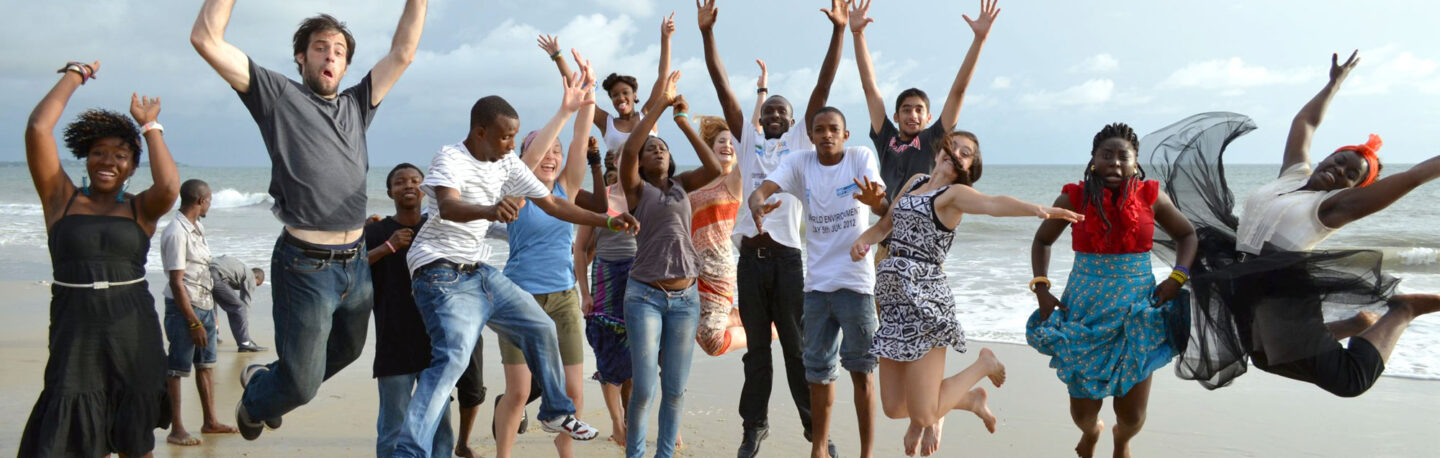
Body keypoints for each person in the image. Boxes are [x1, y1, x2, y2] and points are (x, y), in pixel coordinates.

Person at [190, 0, 428, 439]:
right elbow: (206, 39)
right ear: (302, 57)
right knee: (302, 385)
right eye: (321, 47)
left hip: (356, 262)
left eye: (339, 50)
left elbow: (403, 52)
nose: (331, 56)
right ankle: (260, 395)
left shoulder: (358, 104)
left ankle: (271, 381)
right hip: (305, 266)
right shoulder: (278, 96)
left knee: (348, 350)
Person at [1149, 52, 1440, 396]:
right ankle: (1356, 324)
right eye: (1341, 160)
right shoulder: (1293, 174)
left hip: (1283, 293)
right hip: (1245, 282)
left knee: (1349, 381)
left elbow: (1412, 177)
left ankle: (1404, 309)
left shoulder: (1332, 207)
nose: (1340, 170)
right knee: (1266, 359)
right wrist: (1333, 84)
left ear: (1354, 189)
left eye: (1351, 176)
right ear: (1331, 154)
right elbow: (1306, 123)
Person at [395, 85, 635, 456]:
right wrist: (491, 211)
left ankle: (556, 412)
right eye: (505, 137)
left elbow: (555, 203)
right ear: (480, 133)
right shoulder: (451, 158)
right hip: (437, 270)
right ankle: (409, 450)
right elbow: (448, 206)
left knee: (540, 327)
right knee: (453, 359)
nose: (511, 145)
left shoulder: (507, 164)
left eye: (513, 137)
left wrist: (608, 222)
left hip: (478, 270)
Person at [850, 134, 1080, 457]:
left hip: (926, 302)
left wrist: (1039, 209)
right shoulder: (916, 181)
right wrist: (863, 240)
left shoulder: (954, 195)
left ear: (969, 167)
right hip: (892, 300)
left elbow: (992, 204)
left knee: (924, 413)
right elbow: (885, 225)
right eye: (952, 145)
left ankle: (983, 364)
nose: (955, 153)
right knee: (893, 406)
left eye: (966, 153)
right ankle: (970, 399)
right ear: (940, 148)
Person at [697, 0, 849, 454]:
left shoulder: (802, 144)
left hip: (787, 260)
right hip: (750, 260)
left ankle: (812, 431)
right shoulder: (747, 141)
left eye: (784, 111)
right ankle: (753, 429)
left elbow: (823, 86)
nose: (776, 116)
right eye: (771, 112)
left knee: (797, 351)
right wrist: (707, 35)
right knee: (756, 353)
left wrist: (838, 32)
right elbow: (722, 84)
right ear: (760, 118)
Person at [19, 61, 179, 457]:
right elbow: (39, 129)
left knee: (134, 435)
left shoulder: (141, 209)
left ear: (131, 167)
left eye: (121, 156)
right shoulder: (62, 199)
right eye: (99, 152)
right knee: (76, 432)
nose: (109, 161)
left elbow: (170, 186)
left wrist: (150, 127)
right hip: (76, 329)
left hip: (132, 327)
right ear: (86, 158)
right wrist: (75, 74)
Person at [1027, 123, 1198, 458]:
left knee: (1132, 414)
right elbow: (1042, 240)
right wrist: (1042, 288)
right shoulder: (1072, 198)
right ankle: (1092, 434)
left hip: (1138, 311)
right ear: (1093, 160)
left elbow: (1188, 235)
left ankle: (1123, 439)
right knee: (1082, 414)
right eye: (1107, 155)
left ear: (1135, 162)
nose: (1115, 164)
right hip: (1085, 310)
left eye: (1124, 157)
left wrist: (1176, 279)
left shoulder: (1151, 195)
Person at [748, 104, 884, 458]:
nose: (826, 135)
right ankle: (819, 450)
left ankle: (867, 453)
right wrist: (757, 201)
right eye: (819, 129)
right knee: (818, 374)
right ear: (810, 136)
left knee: (862, 372)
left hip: (856, 285)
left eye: (833, 129)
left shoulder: (859, 157)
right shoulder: (800, 163)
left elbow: (883, 206)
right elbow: (762, 189)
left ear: (845, 134)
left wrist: (876, 201)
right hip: (817, 289)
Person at [493, 54, 610, 458]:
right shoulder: (517, 189)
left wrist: (589, 89)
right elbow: (526, 159)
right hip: (518, 299)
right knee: (520, 391)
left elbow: (580, 135)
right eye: (542, 150)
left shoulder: (567, 189)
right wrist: (559, 114)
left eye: (555, 152)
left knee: (574, 392)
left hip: (562, 299)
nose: (551, 156)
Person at [616, 69, 726, 458]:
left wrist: (681, 120)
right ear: (642, 163)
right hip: (644, 296)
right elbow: (629, 150)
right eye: (651, 149)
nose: (657, 151)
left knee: (675, 389)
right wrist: (660, 103)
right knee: (645, 388)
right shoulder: (636, 189)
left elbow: (715, 168)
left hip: (686, 299)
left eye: (662, 148)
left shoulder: (682, 186)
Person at [850, 0, 998, 265]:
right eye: (906, 110)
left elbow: (958, 91)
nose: (912, 115)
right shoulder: (887, 138)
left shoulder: (934, 140)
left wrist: (979, 40)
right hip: (887, 244)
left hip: (922, 245)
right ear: (896, 117)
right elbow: (870, 88)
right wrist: (858, 35)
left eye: (919, 110)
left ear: (929, 117)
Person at [161, 179, 239, 446]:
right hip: (184, 310)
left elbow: (203, 272)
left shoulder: (197, 228)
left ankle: (210, 421)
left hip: (203, 306)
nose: (210, 204)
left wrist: (210, 312)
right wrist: (193, 321)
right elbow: (177, 281)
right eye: (209, 200)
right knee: (177, 368)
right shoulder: (176, 232)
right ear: (200, 200)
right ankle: (177, 428)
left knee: (206, 366)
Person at [538, 12, 673, 153]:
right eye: (615, 95)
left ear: (635, 95)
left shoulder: (648, 115)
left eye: (625, 93)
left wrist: (665, 38)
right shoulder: (607, 123)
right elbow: (579, 92)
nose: (620, 97)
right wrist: (558, 57)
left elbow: (662, 78)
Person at [574, 145, 636, 446]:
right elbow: (580, 249)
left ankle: (637, 417)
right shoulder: (601, 199)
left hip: (641, 278)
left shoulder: (646, 196)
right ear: (615, 162)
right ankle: (616, 422)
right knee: (609, 352)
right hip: (606, 279)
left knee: (643, 355)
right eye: (624, 158)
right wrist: (584, 293)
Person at [691, 115, 747, 357]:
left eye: (731, 143)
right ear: (710, 148)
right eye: (721, 141)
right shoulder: (693, 181)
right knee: (692, 330)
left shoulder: (733, 180)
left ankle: (771, 327)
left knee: (713, 342)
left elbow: (749, 139)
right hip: (690, 268)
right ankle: (736, 315)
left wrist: (761, 92)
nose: (727, 146)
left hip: (718, 268)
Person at [210, 255, 269, 353]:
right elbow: (245, 305)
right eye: (256, 284)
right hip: (215, 274)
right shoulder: (250, 276)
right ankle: (245, 343)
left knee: (211, 303)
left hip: (204, 271)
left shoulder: (238, 270)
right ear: (257, 277)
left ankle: (213, 336)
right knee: (239, 307)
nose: (253, 287)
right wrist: (245, 327)